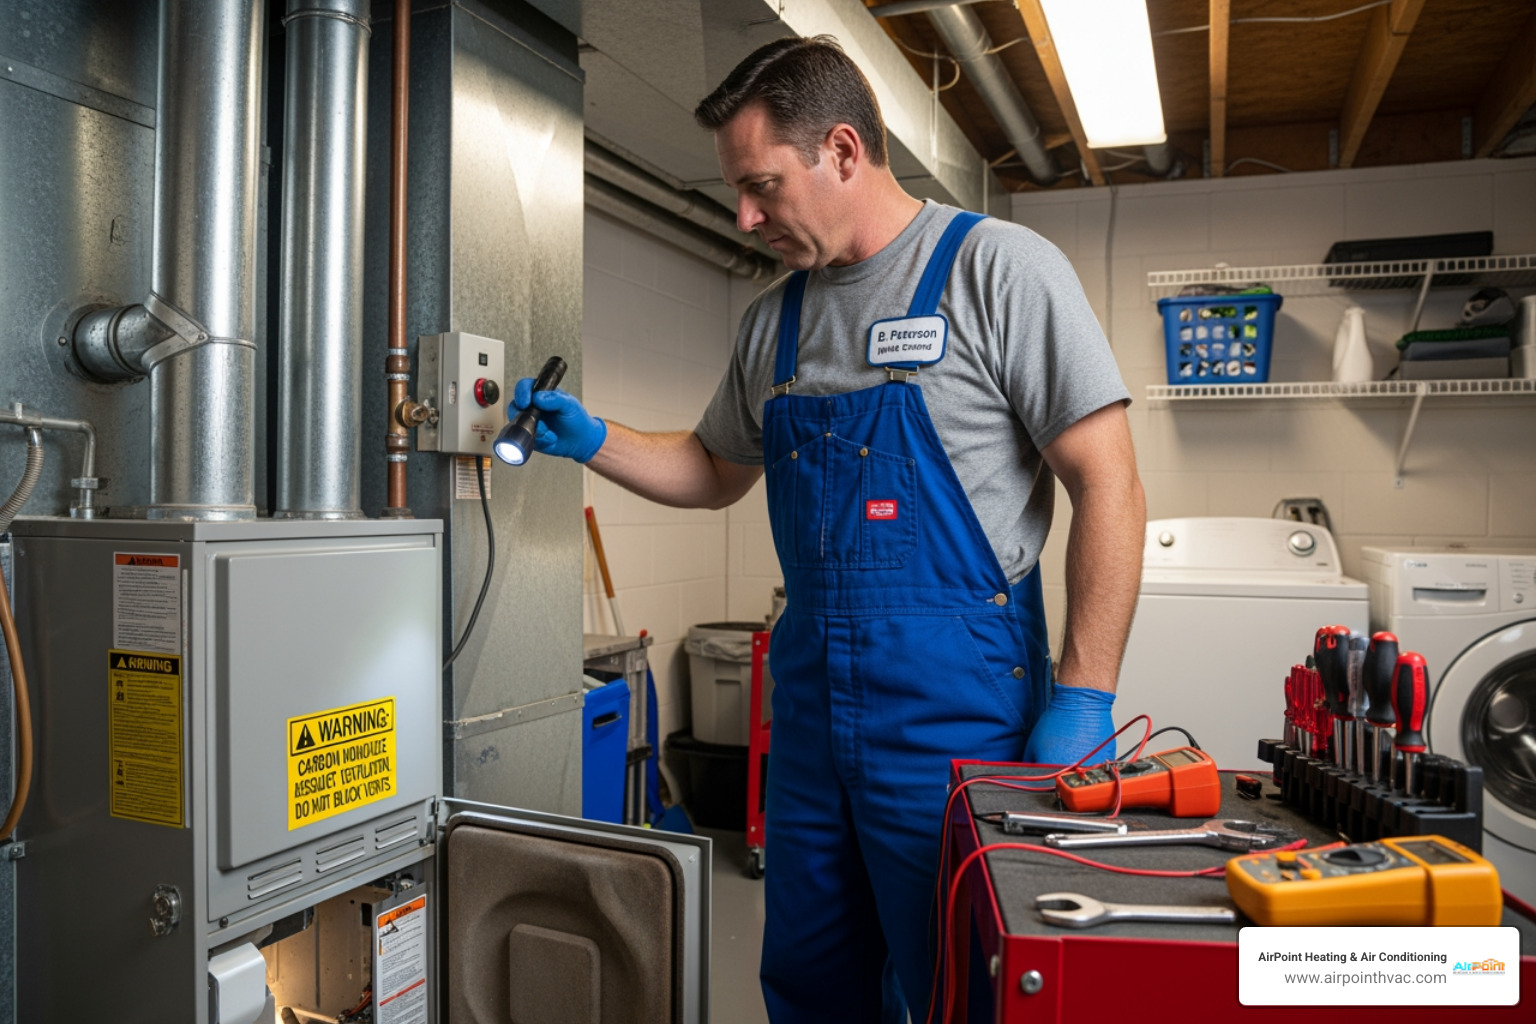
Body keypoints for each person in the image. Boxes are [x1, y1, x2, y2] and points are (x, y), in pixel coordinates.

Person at [509, 35, 1145, 1024]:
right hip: (809, 719)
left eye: (760, 186)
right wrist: (593, 438)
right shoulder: (774, 321)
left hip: (957, 720)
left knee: (957, 980)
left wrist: (1086, 692)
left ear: (843, 151)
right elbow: (714, 469)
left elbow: (1110, 484)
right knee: (814, 981)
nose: (744, 216)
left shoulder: (999, 270)